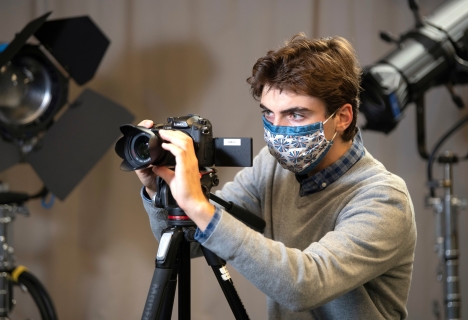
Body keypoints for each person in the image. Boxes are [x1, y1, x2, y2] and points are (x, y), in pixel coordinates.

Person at [136, 34, 417, 320]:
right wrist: (160, 191)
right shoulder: (271, 166)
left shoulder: (384, 198)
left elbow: (304, 286)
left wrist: (197, 205)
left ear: (343, 117)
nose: (277, 130)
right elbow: (192, 240)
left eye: (295, 115)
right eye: (269, 114)